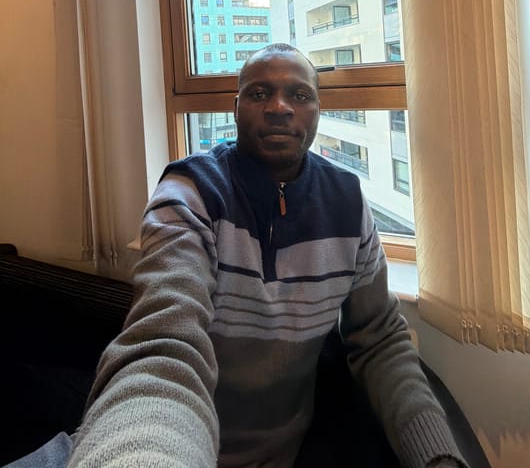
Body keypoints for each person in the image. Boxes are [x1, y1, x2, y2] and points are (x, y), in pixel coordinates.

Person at [9, 44, 468, 468]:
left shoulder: (347, 203)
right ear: (234, 109)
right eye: (259, 92)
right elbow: (167, 343)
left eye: (300, 94)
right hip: (160, 443)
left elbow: (381, 340)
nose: (279, 107)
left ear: (318, 113)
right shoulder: (189, 195)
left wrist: (437, 457)